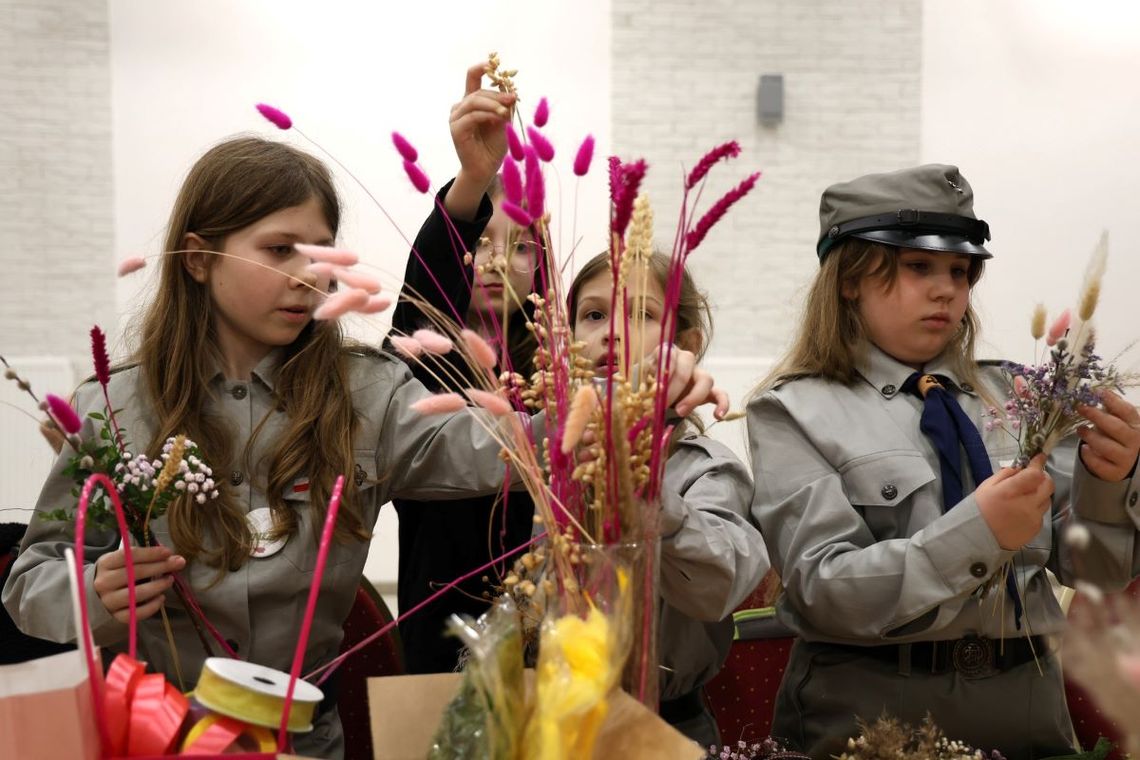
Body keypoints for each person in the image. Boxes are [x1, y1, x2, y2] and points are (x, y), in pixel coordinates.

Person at [1, 133, 724, 758]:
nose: (310, 274)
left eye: (320, 253)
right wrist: (92, 594)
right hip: (152, 736)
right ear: (197, 257)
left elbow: (512, 445)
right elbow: (29, 580)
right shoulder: (116, 408)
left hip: (304, 741)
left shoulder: (366, 395)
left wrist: (633, 395)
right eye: (279, 249)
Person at [746, 164, 1140, 758]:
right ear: (849, 277)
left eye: (960, 271)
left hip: (1028, 719)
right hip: (870, 723)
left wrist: (1111, 483)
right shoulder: (793, 412)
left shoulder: (1016, 397)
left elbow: (1100, 575)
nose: (946, 289)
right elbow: (822, 589)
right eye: (918, 266)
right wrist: (976, 534)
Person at [568, 250, 770, 747]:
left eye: (642, 315)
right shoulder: (541, 463)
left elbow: (717, 586)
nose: (610, 333)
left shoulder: (707, 469)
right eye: (593, 315)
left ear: (685, 346)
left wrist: (645, 497)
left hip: (665, 727)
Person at [389, 63, 540, 673]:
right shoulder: (427, 370)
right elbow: (416, 305)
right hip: (444, 633)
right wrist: (473, 183)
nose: (499, 260)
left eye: (523, 245)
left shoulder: (562, 376)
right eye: (481, 242)